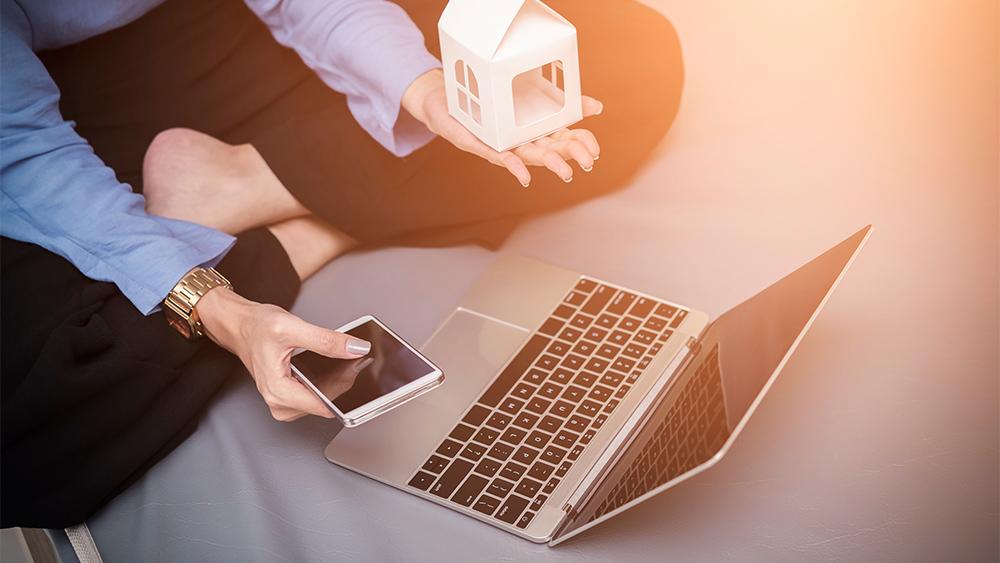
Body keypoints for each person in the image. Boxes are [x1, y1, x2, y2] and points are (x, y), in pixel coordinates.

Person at [0, 0, 682, 528]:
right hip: (54, 126)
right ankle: (308, 228)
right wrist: (220, 308)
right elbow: (25, 151)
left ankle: (250, 186)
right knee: (23, 448)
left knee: (628, 54)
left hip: (247, 33)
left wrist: (426, 92)